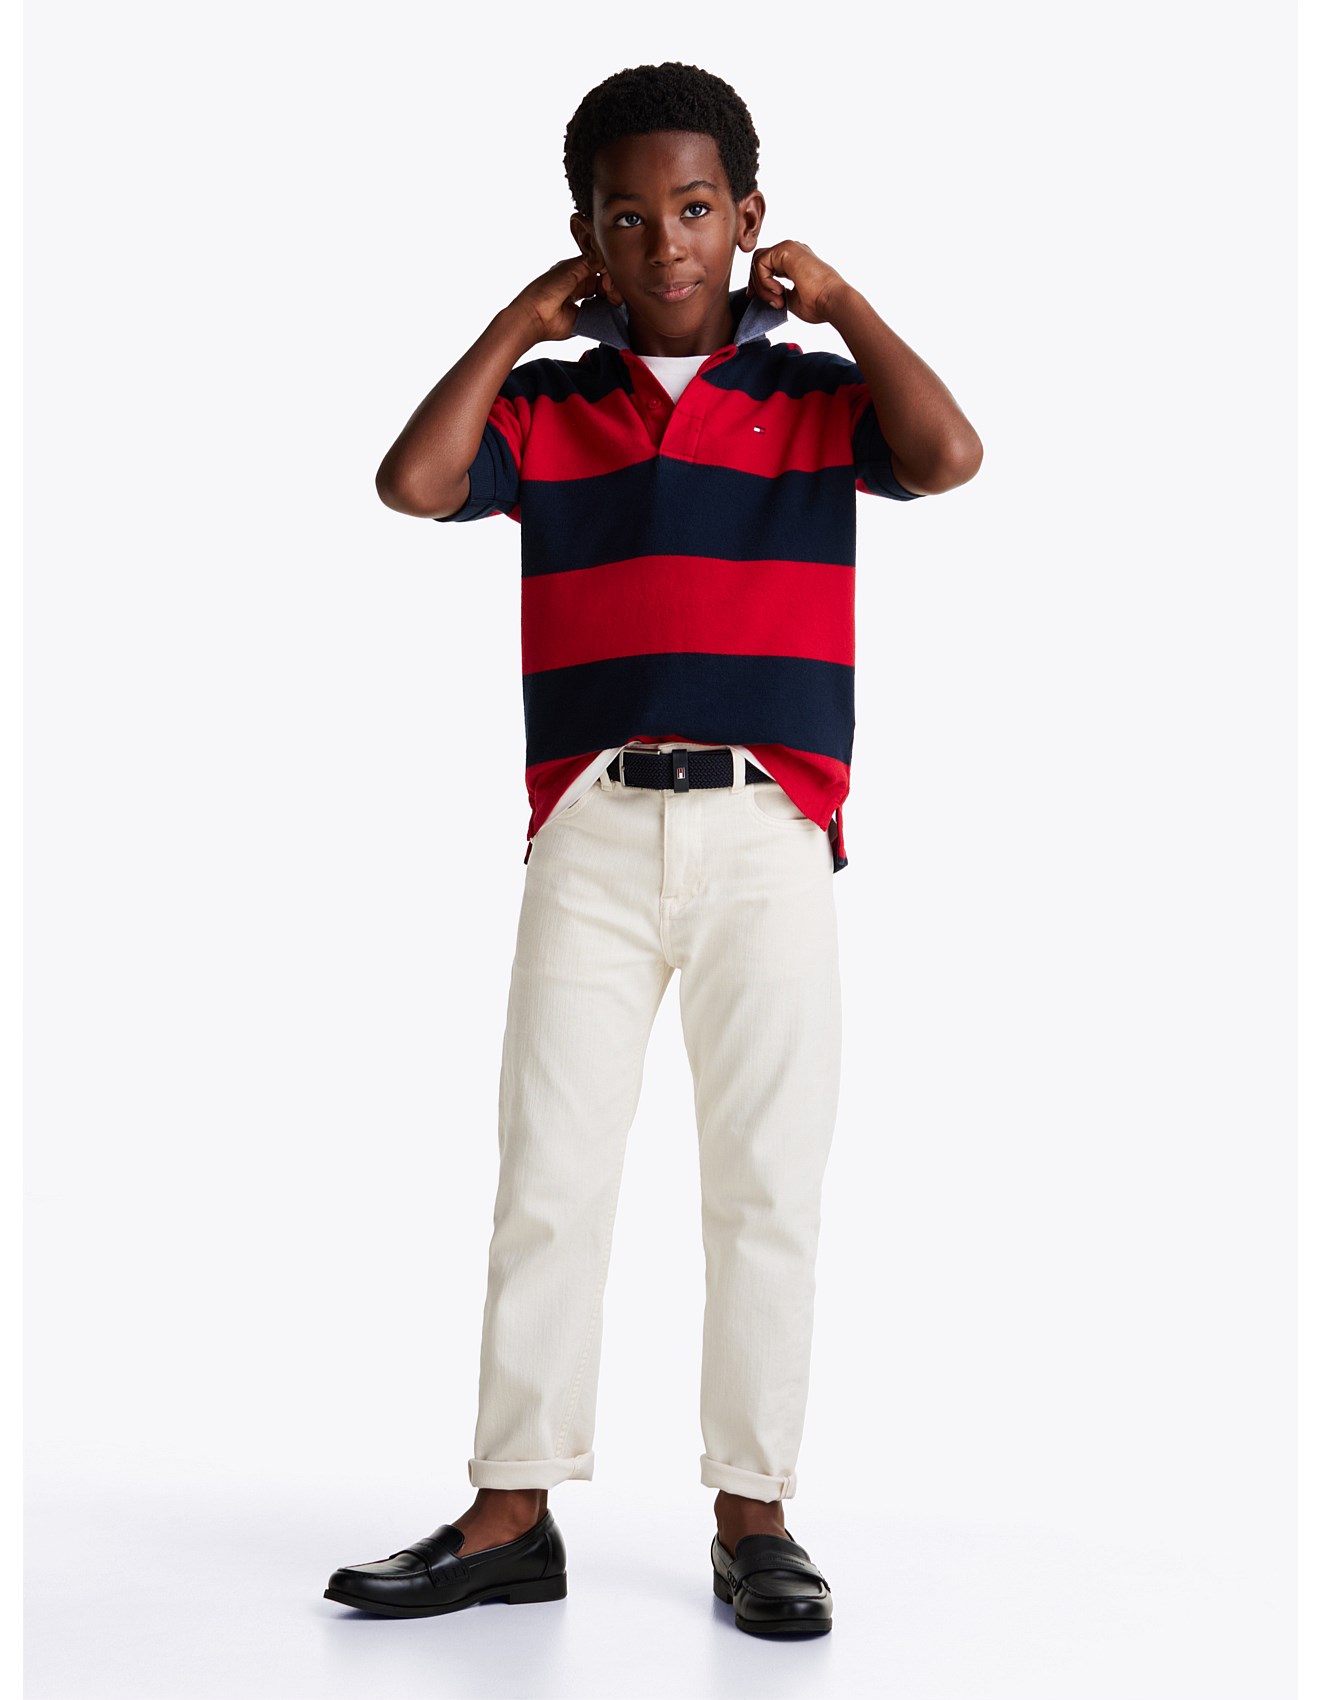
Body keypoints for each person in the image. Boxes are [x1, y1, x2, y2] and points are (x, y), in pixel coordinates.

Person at [325, 59, 982, 1639]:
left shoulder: (812, 396)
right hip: (594, 828)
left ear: (747, 217)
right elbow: (413, 483)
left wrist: (847, 302)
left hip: (771, 826)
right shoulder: (554, 408)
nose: (665, 240)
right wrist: (516, 325)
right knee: (548, 1175)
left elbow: (950, 455)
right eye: (627, 218)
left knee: (766, 1184)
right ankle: (512, 1509)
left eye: (695, 208)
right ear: (587, 240)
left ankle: (755, 1513)